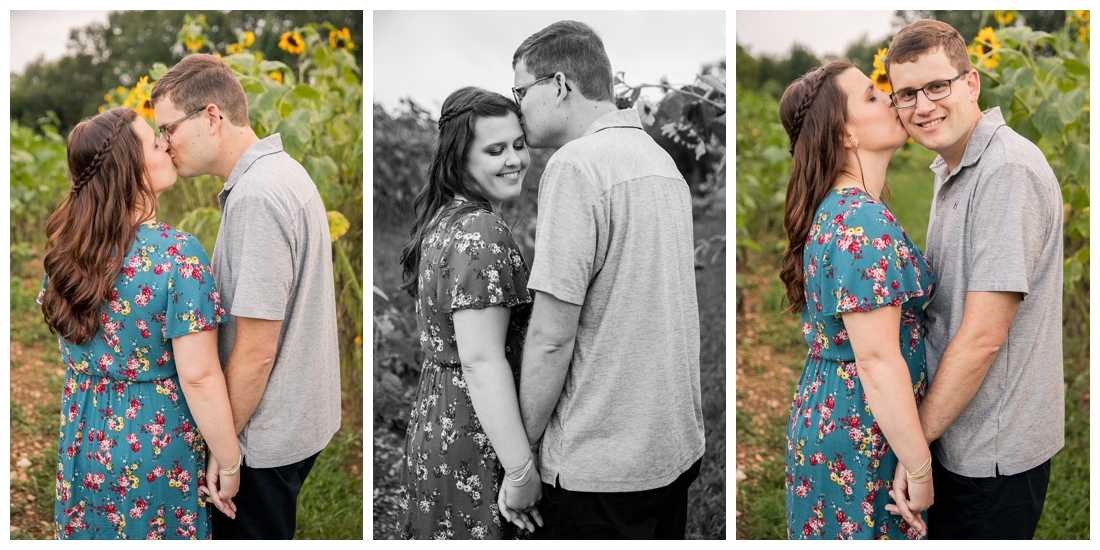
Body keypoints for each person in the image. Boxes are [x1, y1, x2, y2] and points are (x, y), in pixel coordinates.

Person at [511, 20, 705, 540]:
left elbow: (553, 336)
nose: (517, 107)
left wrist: (522, 453)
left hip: (598, 469)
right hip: (672, 449)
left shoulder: (576, 166)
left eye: (520, 91)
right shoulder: (662, 162)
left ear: (558, 84)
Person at [883, 20, 1064, 539]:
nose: (923, 106)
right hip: (962, 433)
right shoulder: (957, 165)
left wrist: (915, 449)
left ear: (971, 84)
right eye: (907, 94)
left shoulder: (1005, 171)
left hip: (992, 451)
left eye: (937, 86)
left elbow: (984, 337)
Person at [150, 54, 341, 539]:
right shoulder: (282, 172)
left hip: (266, 435)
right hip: (296, 416)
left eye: (168, 129)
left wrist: (224, 448)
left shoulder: (257, 197)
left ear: (211, 117)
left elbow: (256, 349)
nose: (163, 144)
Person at [38, 107, 241, 539]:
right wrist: (229, 461)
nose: (166, 143)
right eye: (154, 142)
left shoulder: (66, 251)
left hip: (84, 433)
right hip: (153, 446)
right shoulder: (177, 255)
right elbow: (200, 377)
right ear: (131, 169)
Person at [778, 60, 936, 540]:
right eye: (871, 96)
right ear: (844, 134)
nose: (891, 99)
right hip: (864, 423)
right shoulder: (861, 222)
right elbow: (876, 360)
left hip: (839, 414)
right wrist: (921, 470)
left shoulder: (841, 207)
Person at [395, 86, 542, 540]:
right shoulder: (481, 229)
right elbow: (481, 361)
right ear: (460, 158)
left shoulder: (447, 218)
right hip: (475, 427)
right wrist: (520, 471)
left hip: (441, 415)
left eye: (519, 144)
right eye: (495, 149)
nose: (514, 159)